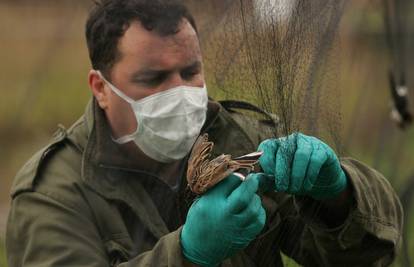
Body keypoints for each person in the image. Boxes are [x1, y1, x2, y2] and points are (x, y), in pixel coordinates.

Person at [6, 1, 403, 266]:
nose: (179, 92)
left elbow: (367, 255)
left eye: (190, 71)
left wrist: (337, 195)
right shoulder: (53, 193)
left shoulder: (242, 141)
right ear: (100, 88)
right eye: (153, 78)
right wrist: (188, 255)